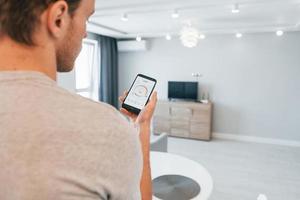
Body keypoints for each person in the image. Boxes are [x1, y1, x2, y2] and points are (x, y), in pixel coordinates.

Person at [0, 0, 156, 199]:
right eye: (87, 18)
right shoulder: (106, 129)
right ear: (58, 18)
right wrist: (141, 126)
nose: (85, 33)